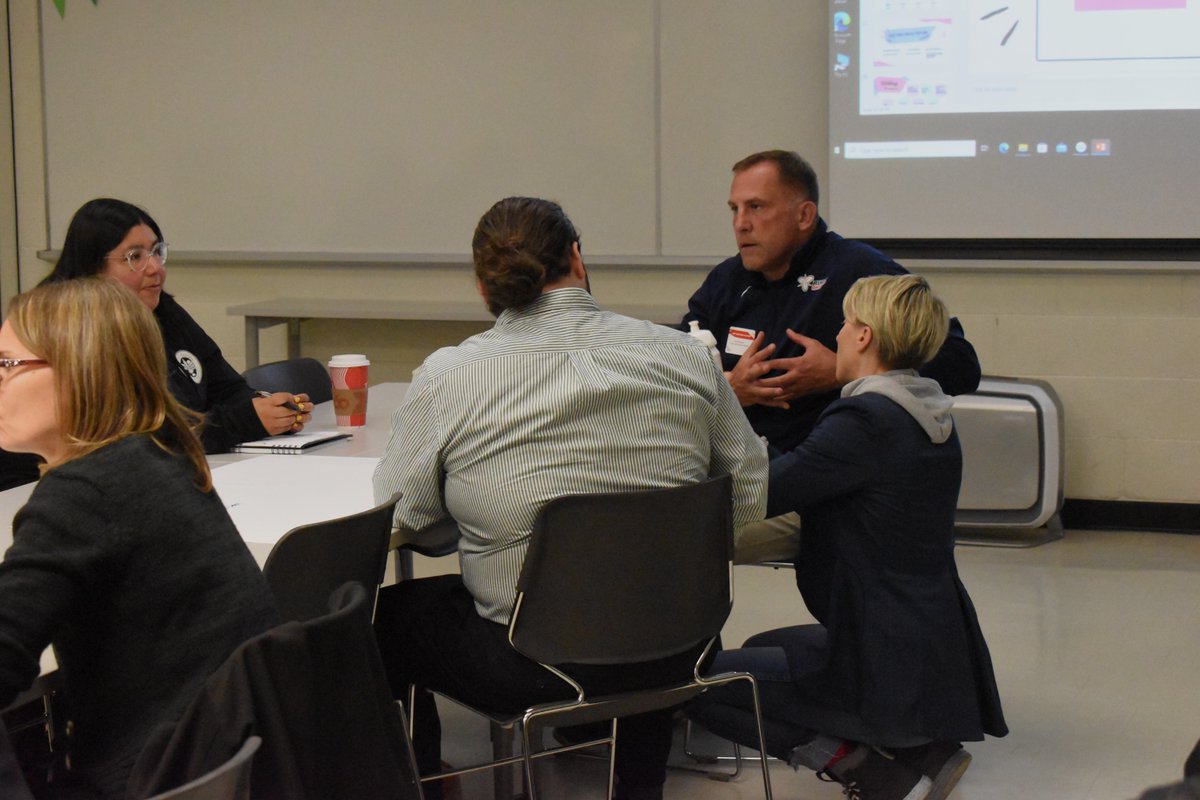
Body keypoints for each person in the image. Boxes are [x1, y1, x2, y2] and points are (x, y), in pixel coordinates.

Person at [372, 196, 768, 800]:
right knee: (638, 592)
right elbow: (746, 498)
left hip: (535, 661)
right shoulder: (684, 355)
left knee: (387, 619)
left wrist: (474, 517)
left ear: (485, 288)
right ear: (578, 259)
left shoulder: (450, 377)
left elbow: (403, 516)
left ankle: (425, 787)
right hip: (685, 640)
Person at [687, 275, 1007, 800]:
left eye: (846, 323)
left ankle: (862, 765)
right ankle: (921, 748)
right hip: (930, 657)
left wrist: (723, 406)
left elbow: (761, 494)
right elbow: (803, 473)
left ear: (864, 338)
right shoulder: (922, 410)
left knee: (695, 683)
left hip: (885, 663)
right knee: (769, 646)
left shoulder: (866, 420)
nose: (837, 334)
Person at [0, 278, 278, 799]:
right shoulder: (159, 453)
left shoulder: (84, 492)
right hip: (221, 760)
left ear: (77, 374)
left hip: (150, 773)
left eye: (7, 365)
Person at [683, 149, 981, 455]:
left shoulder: (861, 272)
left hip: (829, 476)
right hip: (739, 469)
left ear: (804, 215)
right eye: (735, 209)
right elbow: (673, 375)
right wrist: (731, 388)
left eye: (756, 207)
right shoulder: (725, 282)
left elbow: (961, 364)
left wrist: (842, 370)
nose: (741, 224)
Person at [39, 198, 314, 453]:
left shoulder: (162, 309)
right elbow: (142, 437)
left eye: (157, 252)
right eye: (135, 257)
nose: (155, 267)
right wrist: (244, 422)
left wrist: (268, 407)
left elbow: (225, 387)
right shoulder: (70, 331)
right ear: (92, 268)